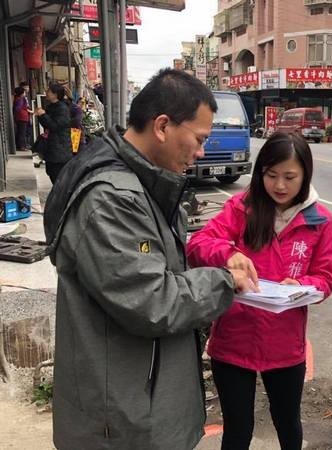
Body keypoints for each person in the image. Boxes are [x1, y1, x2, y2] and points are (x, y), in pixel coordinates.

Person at [43, 69, 256, 450]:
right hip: (125, 419)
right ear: (162, 126)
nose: (202, 152)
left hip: (139, 400)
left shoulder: (141, 182)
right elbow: (152, 300)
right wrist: (223, 281)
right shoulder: (113, 198)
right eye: (199, 139)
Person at [186, 132, 332, 450]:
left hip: (285, 343)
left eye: (289, 177)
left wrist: (304, 286)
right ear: (260, 173)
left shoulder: (319, 221)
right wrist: (227, 254)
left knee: (288, 423)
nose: (280, 186)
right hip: (234, 339)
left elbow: (325, 278)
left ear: (305, 175)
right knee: (238, 430)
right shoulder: (243, 207)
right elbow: (198, 245)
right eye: (271, 175)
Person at [34, 83, 72, 183]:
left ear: (55, 94)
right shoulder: (51, 106)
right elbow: (47, 125)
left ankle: (60, 198)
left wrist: (43, 115)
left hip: (60, 149)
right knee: (51, 171)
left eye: (49, 91)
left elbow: (55, 126)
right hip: (52, 146)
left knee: (57, 176)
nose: (46, 92)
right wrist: (41, 115)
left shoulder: (62, 108)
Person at [12, 86, 31, 151]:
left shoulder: (17, 98)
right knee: (22, 133)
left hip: (20, 118)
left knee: (20, 132)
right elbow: (18, 108)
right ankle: (22, 146)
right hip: (22, 118)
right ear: (21, 93)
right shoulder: (20, 99)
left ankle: (20, 145)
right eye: (24, 92)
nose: (25, 93)